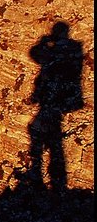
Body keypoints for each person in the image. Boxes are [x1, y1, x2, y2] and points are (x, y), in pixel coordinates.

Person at [27, 21, 83, 191]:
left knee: (46, 136)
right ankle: (50, 178)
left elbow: (35, 54)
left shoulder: (58, 49)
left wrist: (44, 41)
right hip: (62, 98)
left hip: (53, 98)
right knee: (51, 137)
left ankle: (44, 178)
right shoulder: (74, 48)